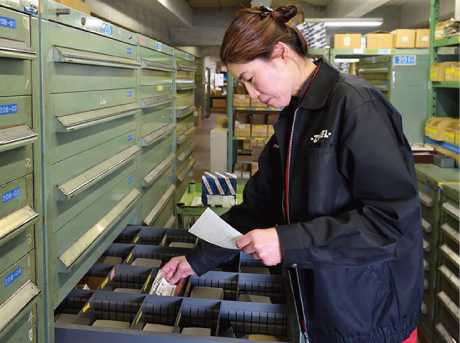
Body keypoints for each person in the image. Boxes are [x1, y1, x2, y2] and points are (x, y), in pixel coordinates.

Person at [163, 5, 423, 343]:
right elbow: (257, 208)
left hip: (368, 318)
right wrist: (197, 259)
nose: (252, 95)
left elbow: (391, 224)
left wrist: (287, 242)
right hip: (317, 309)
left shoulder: (356, 106)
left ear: (280, 53)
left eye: (251, 80)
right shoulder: (293, 121)